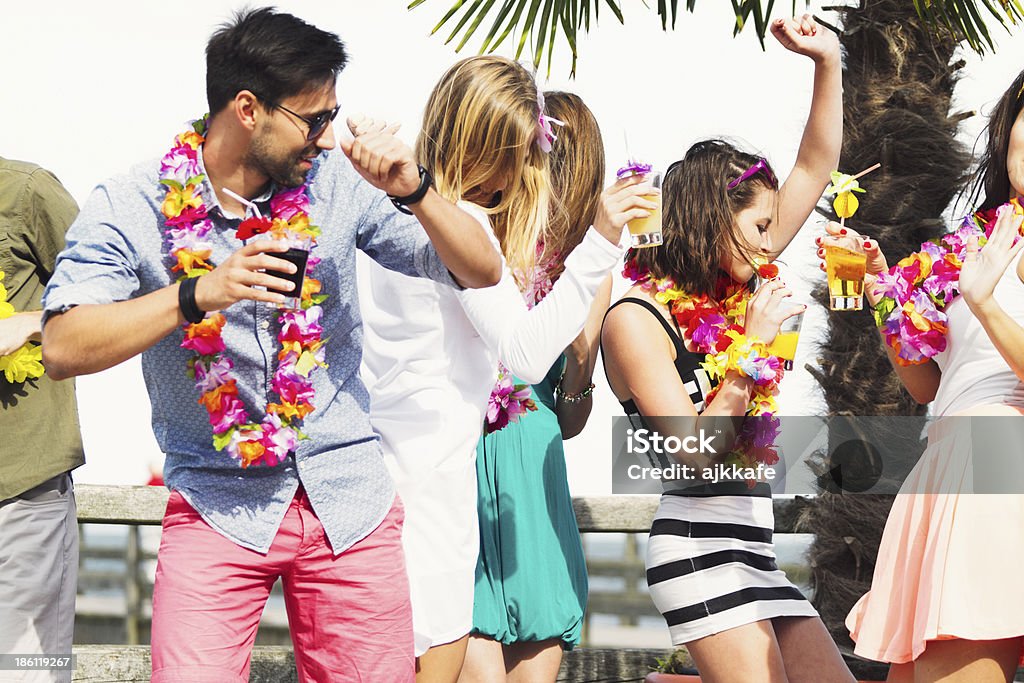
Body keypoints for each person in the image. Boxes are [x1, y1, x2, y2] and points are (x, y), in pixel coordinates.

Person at [40, 8, 502, 683]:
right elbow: (62, 343)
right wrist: (197, 293)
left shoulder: (342, 184)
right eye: (314, 119)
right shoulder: (131, 201)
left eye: (333, 115)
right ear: (248, 108)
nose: (327, 136)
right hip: (216, 502)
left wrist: (416, 188)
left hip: (348, 501)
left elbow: (479, 269)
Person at [360, 61, 647, 683]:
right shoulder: (463, 230)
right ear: (491, 146)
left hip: (364, 484)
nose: (523, 175)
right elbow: (525, 350)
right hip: (430, 493)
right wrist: (599, 243)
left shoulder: (372, 216)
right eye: (519, 155)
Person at [601, 15, 854, 682]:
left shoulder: (741, 287)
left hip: (757, 553)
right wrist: (750, 355)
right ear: (715, 218)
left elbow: (814, 163)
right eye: (759, 226)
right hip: (697, 552)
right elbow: (689, 455)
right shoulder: (636, 317)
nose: (772, 243)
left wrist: (826, 59)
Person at [836, 69, 1024, 683]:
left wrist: (988, 303)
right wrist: (884, 292)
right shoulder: (982, 240)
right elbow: (927, 386)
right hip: (946, 461)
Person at [461, 91, 612, 683]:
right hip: (467, 466)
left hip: (534, 474)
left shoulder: (586, 265)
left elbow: (570, 419)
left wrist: (583, 356)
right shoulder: (476, 237)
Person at [0, 158, 83, 683]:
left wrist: (31, 322)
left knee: (29, 672)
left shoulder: (26, 192)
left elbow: (117, 292)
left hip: (22, 490)